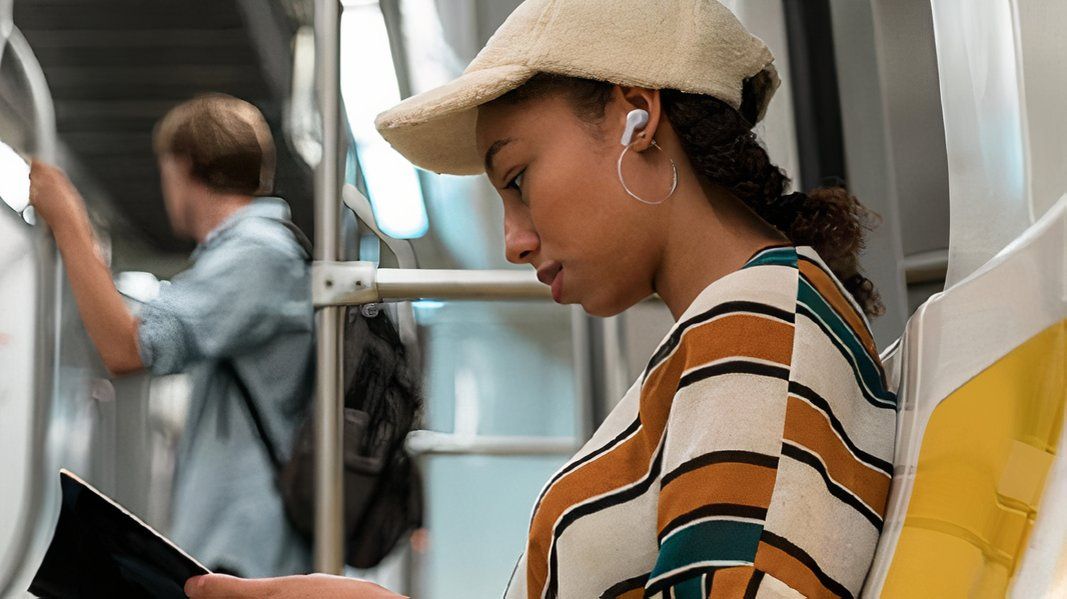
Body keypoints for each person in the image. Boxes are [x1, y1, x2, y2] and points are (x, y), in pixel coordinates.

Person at [186, 0, 896, 597]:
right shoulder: (740, 328)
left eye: (517, 177)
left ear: (637, 117)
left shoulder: (757, 328)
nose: (512, 242)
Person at [30, 94, 314, 578]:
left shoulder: (258, 256)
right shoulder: (246, 257)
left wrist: (68, 221)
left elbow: (127, 347)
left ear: (183, 167)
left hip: (246, 547)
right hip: (236, 543)